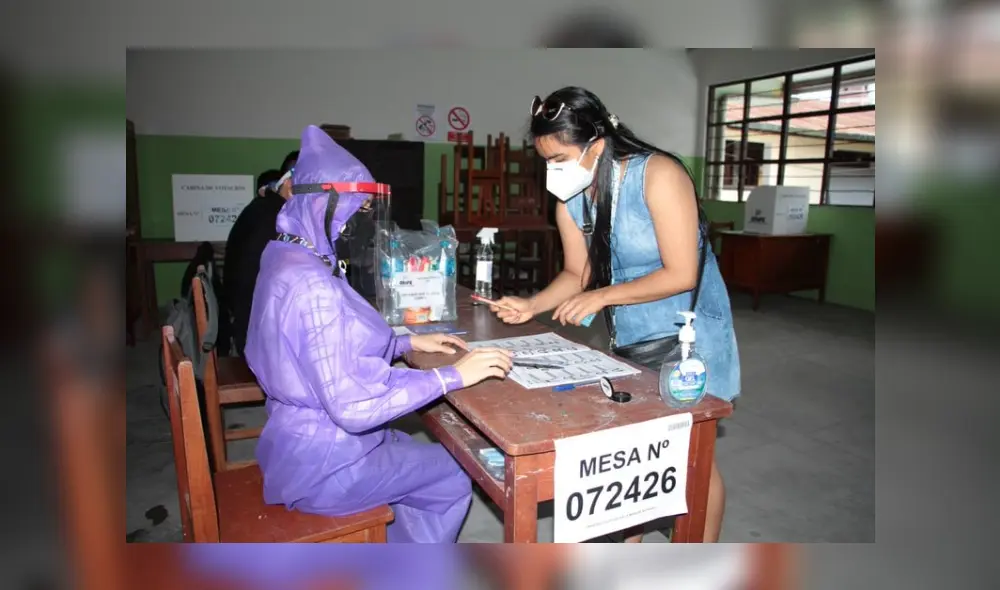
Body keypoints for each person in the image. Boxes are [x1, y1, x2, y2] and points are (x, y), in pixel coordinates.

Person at [490, 87, 741, 542]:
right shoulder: (572, 196)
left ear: (598, 145)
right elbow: (575, 272)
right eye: (545, 159)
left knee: (691, 454)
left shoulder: (658, 175)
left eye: (560, 157)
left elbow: (682, 272)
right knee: (638, 448)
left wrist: (602, 296)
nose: (553, 170)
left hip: (690, 334)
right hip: (632, 335)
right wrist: (532, 303)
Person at [245, 125, 513, 543]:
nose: (357, 222)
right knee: (457, 472)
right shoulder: (314, 285)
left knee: (409, 443)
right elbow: (356, 405)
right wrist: (453, 375)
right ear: (324, 204)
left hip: (292, 447)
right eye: (356, 208)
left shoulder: (285, 255)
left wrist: (405, 343)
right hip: (328, 466)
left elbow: (317, 348)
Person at [223, 152, 298, 357]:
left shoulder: (264, 207)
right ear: (290, 186)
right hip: (255, 336)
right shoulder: (277, 220)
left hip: (244, 318)